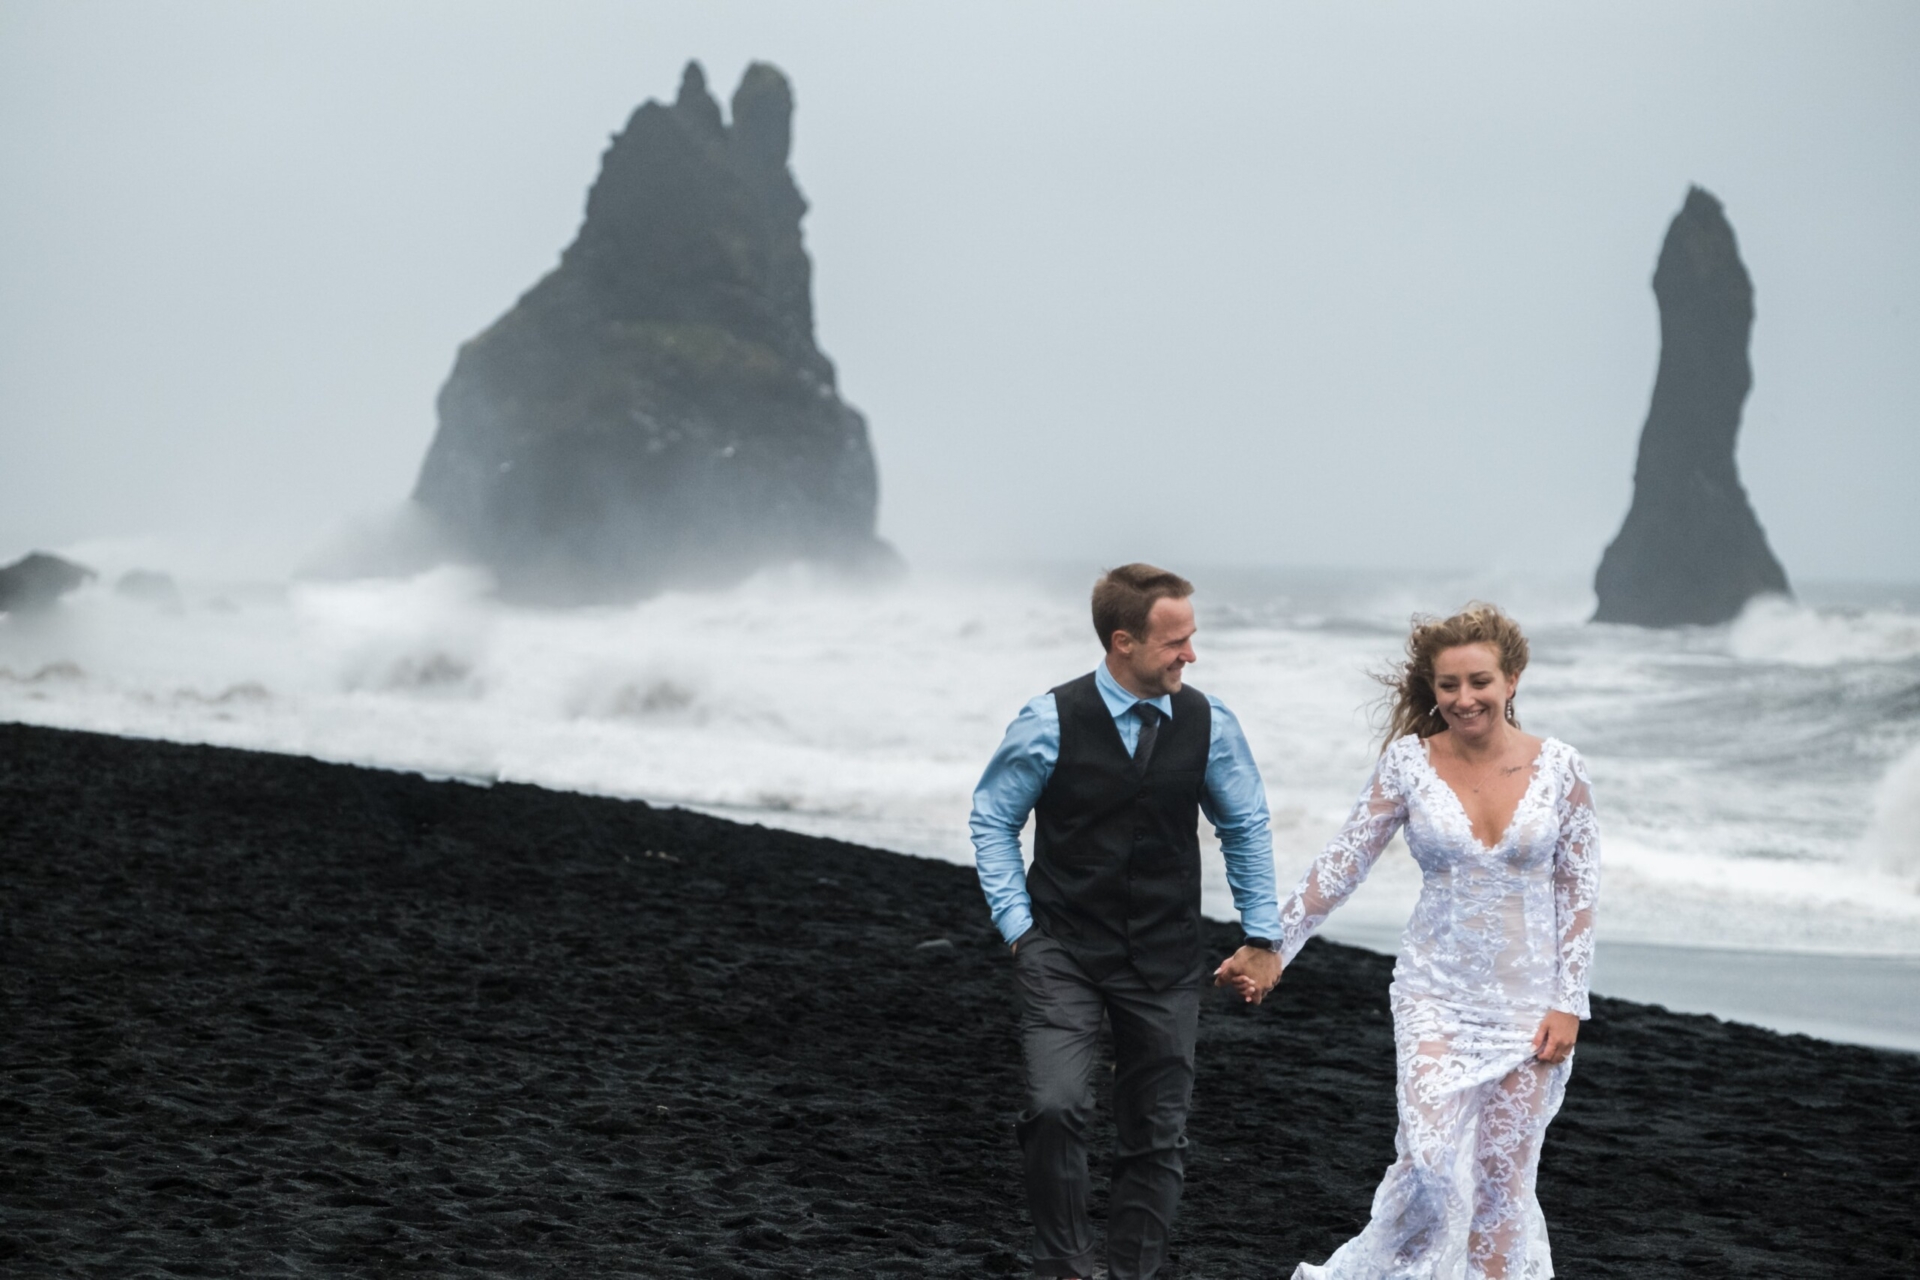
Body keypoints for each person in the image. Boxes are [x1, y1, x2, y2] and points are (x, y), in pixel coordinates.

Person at [1227, 603, 1599, 1280]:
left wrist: (1569, 1002)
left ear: (1512, 679)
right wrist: (1272, 944)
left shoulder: (1562, 770)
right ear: (1432, 690)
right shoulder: (1409, 764)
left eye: (1479, 681)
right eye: (1448, 685)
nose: (1464, 699)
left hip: (1529, 1006)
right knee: (1430, 1167)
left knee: (1500, 1180)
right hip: (1435, 994)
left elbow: (1578, 890)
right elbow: (1343, 862)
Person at [970, 563, 1285, 1280]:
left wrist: (1262, 935)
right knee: (1055, 1108)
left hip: (1167, 957)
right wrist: (1017, 925)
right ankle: (1067, 1266)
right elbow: (993, 817)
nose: (1190, 655)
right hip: (1061, 949)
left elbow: (1246, 825)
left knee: (1157, 1134)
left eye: (1192, 639)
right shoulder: (1049, 718)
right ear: (1122, 642)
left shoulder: (1211, 723)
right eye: (1175, 642)